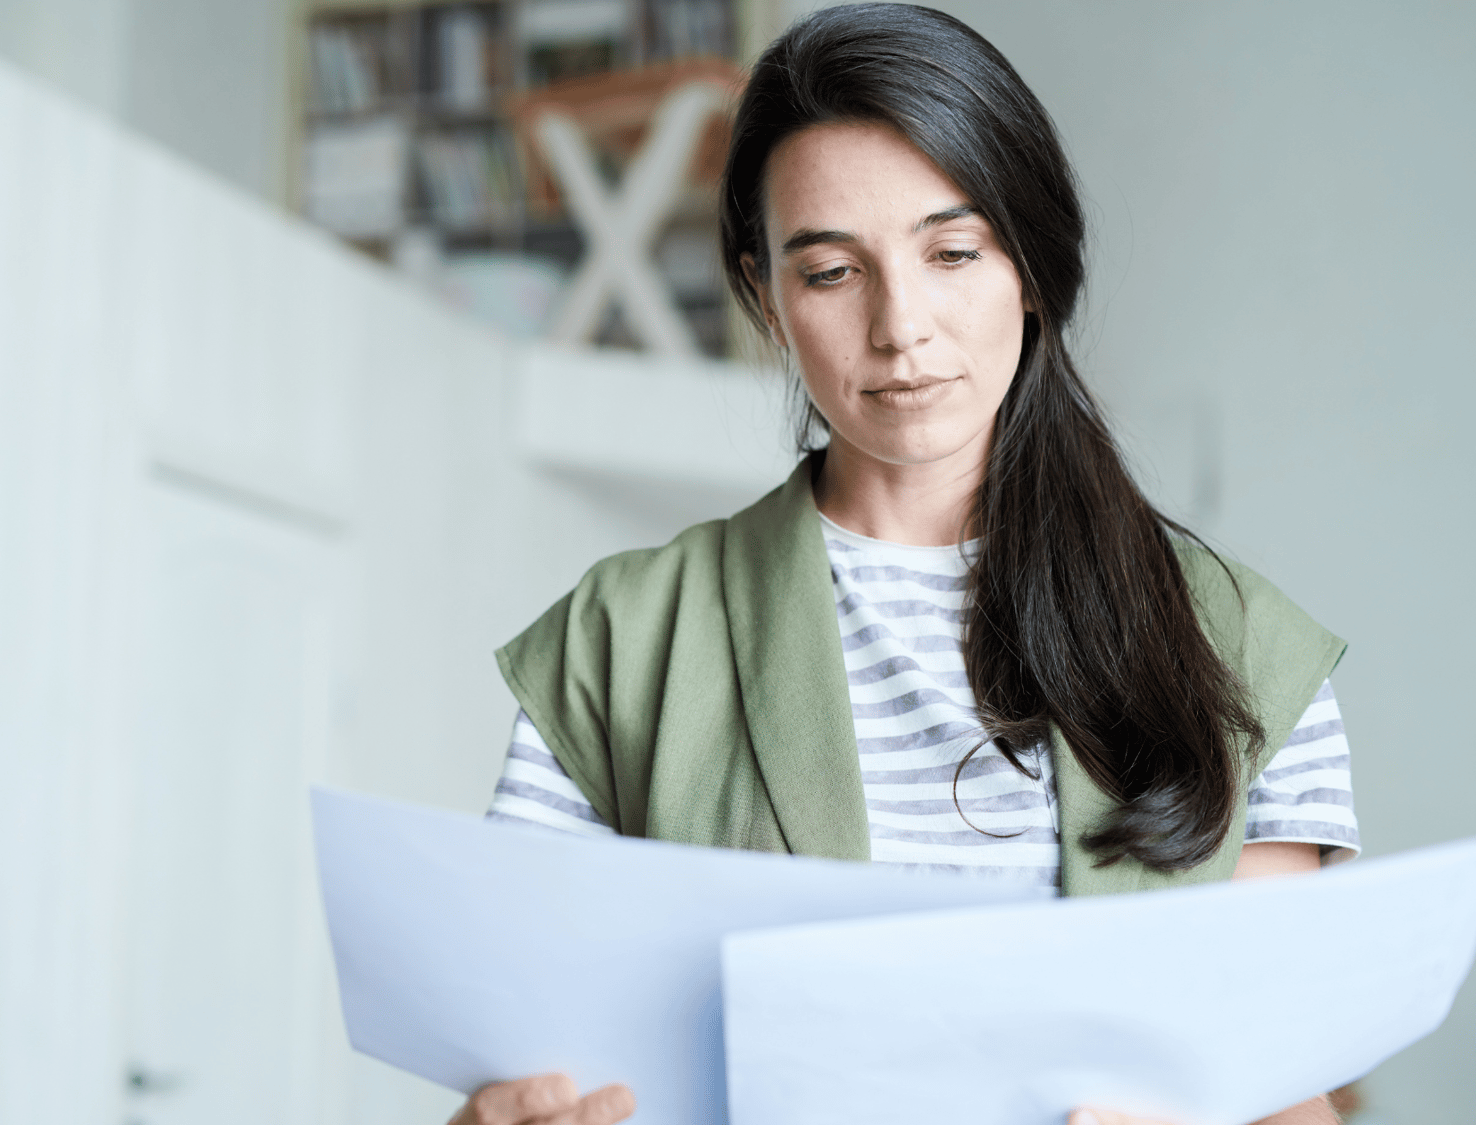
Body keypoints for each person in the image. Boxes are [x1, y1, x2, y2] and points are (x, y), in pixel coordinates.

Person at [459, 5, 1359, 1125]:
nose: (900, 329)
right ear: (767, 300)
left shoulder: (1240, 647)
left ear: (1027, 265)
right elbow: (524, 1048)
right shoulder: (621, 639)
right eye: (832, 272)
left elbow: (1289, 1091)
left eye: (950, 253)